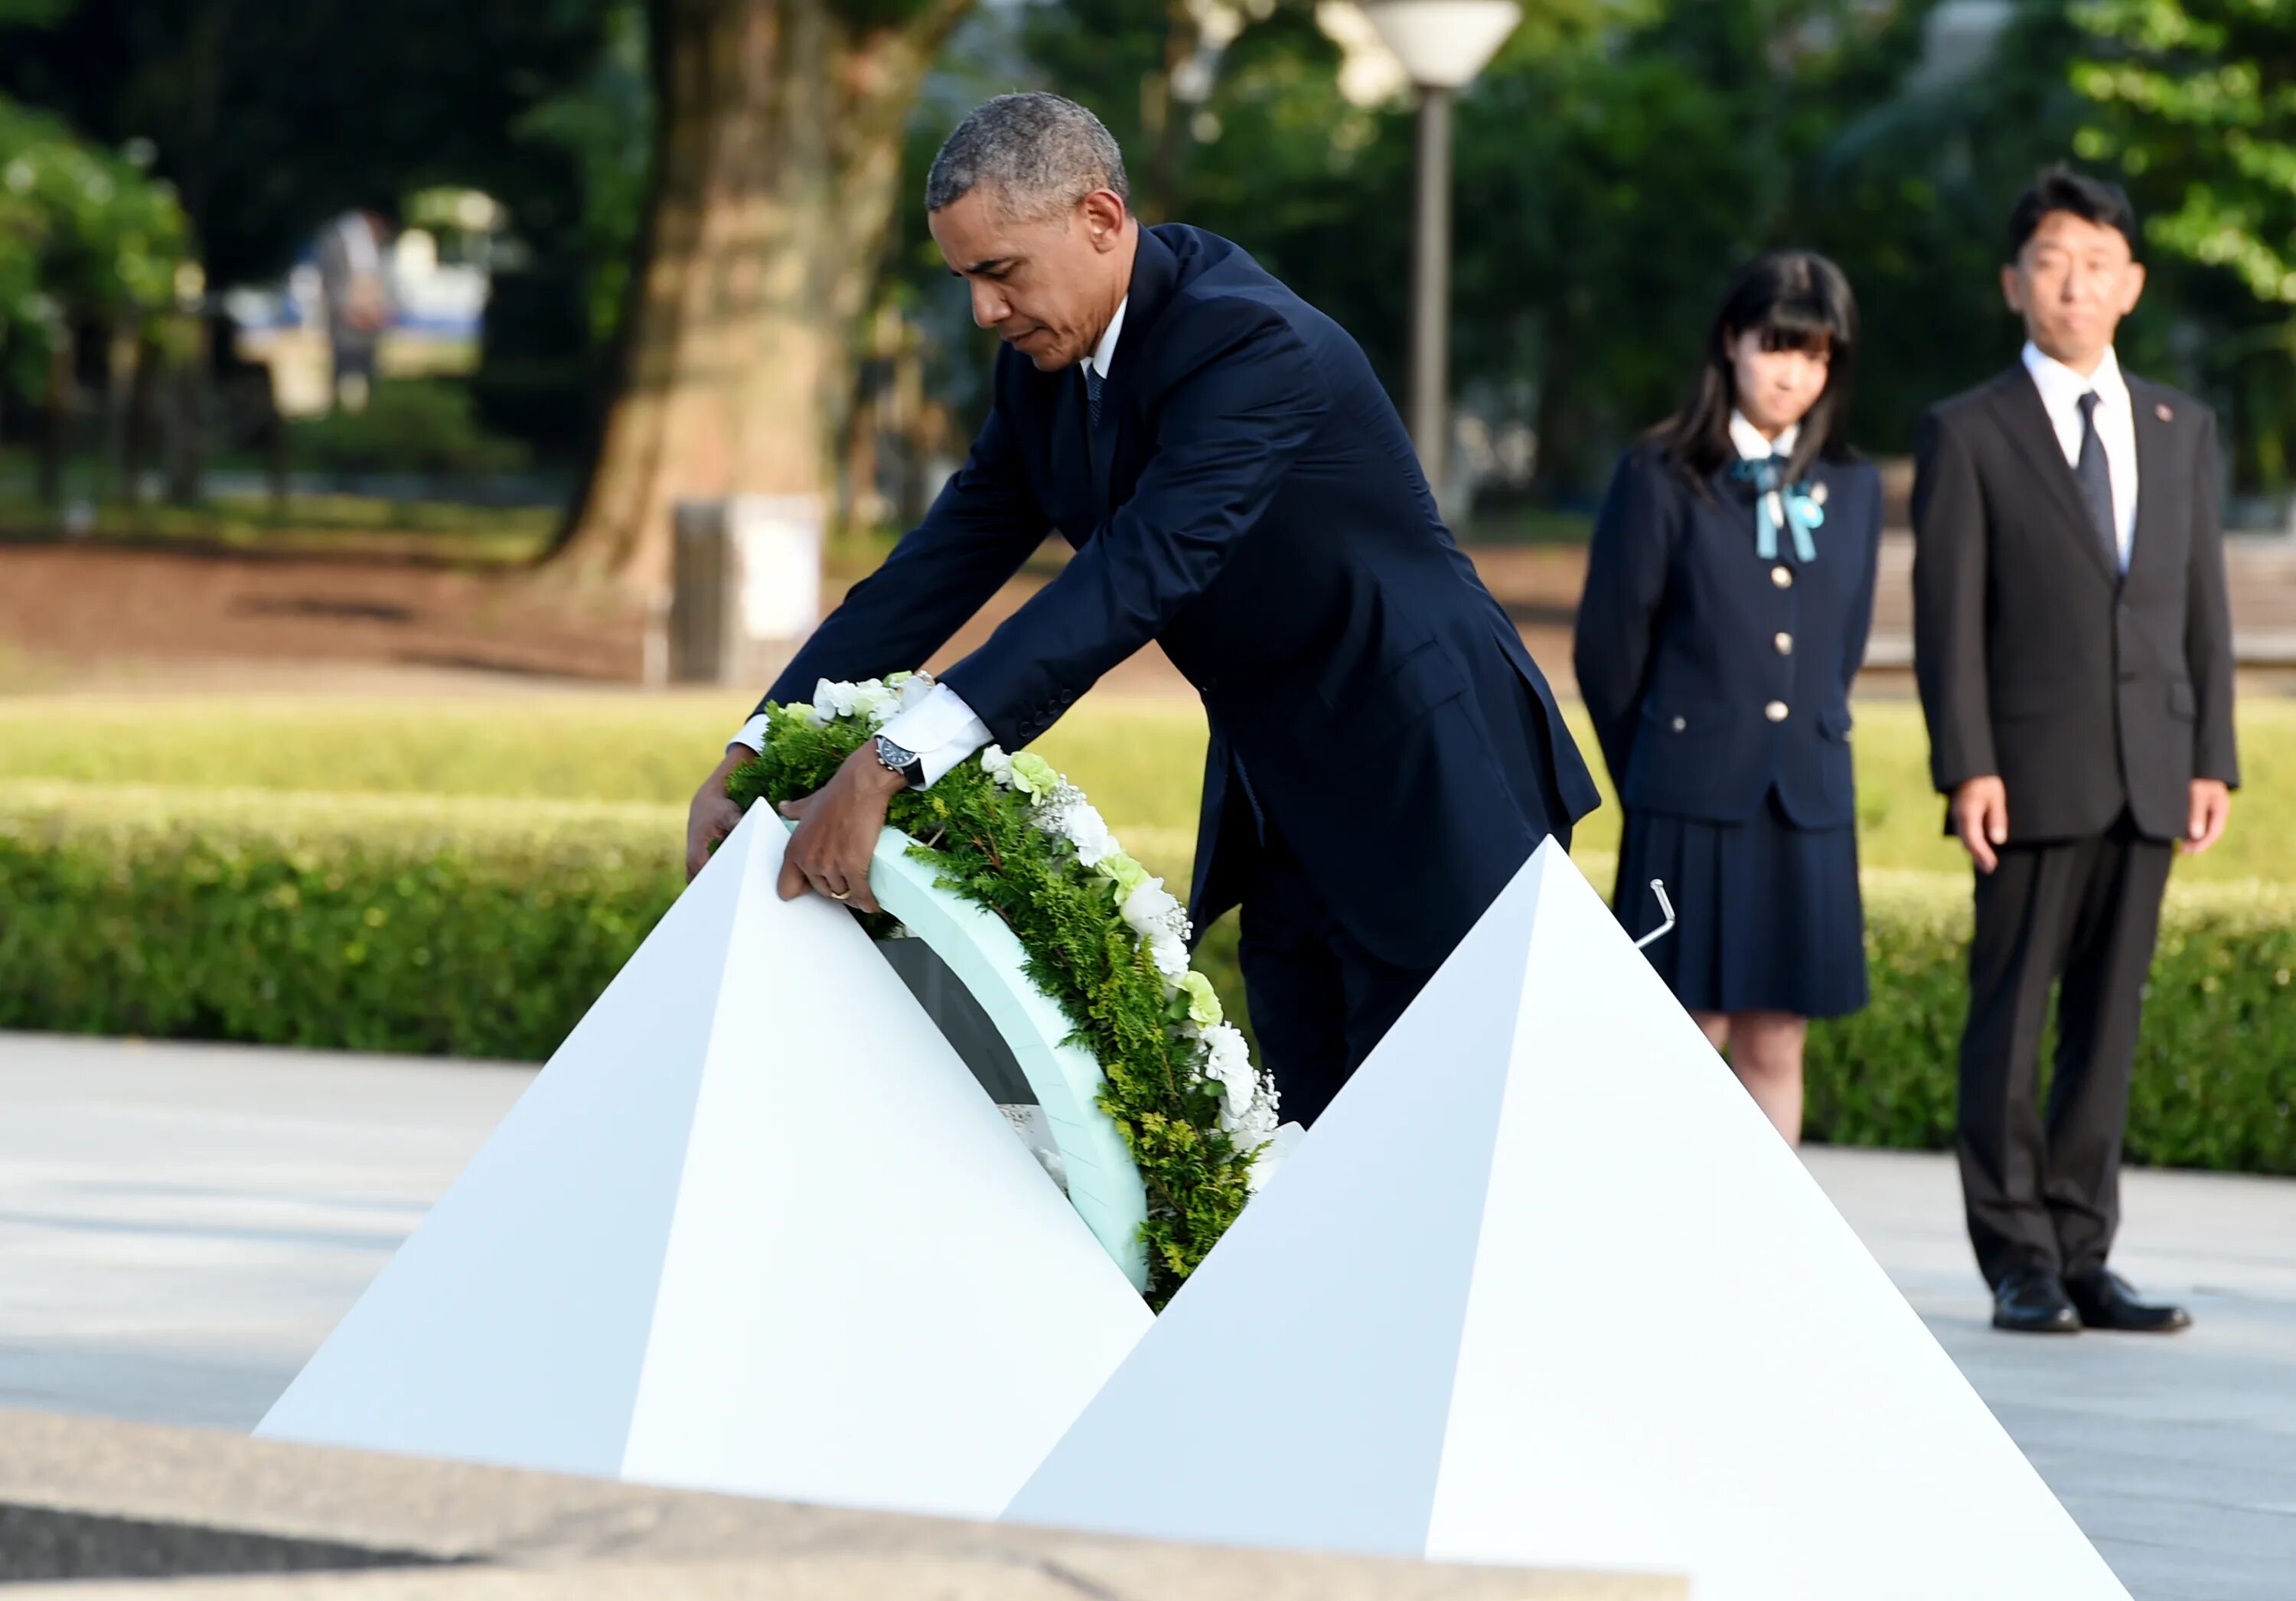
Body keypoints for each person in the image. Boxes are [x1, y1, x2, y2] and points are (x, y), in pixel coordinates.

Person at [683, 93, 1598, 1127]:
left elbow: (1134, 575)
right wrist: (758, 744)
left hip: (1434, 768)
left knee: (1449, 1138)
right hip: (1280, 791)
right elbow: (929, 572)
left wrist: (895, 761)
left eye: (1001, 272)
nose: (983, 310)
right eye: (965, 280)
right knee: (1314, 1136)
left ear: (1101, 221)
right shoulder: (1043, 370)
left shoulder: (1253, 346)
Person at [1912, 165, 2236, 1335]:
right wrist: (1968, 765)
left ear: (2132, 284)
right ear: (2015, 283)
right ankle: (2019, 1260)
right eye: (2052, 262)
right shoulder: (1969, 431)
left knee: (2109, 1022)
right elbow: (1947, 619)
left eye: (2098, 264)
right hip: (2028, 773)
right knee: (2009, 1018)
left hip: (2153, 768)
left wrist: (2214, 756)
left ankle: (2087, 1251)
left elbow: (2203, 606)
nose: (2074, 284)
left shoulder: (2180, 428)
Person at [1574, 253, 1880, 1146]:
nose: (1794, 372)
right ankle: (1659, 1249)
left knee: (1778, 1039)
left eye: (1817, 355)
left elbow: (1844, 643)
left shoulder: (1853, 487)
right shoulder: (1663, 472)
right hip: (1688, 800)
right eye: (1776, 346)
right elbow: (1609, 651)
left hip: (1807, 801)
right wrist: (1662, 767)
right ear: (1732, 344)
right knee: (1684, 1033)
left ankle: (1763, 1266)